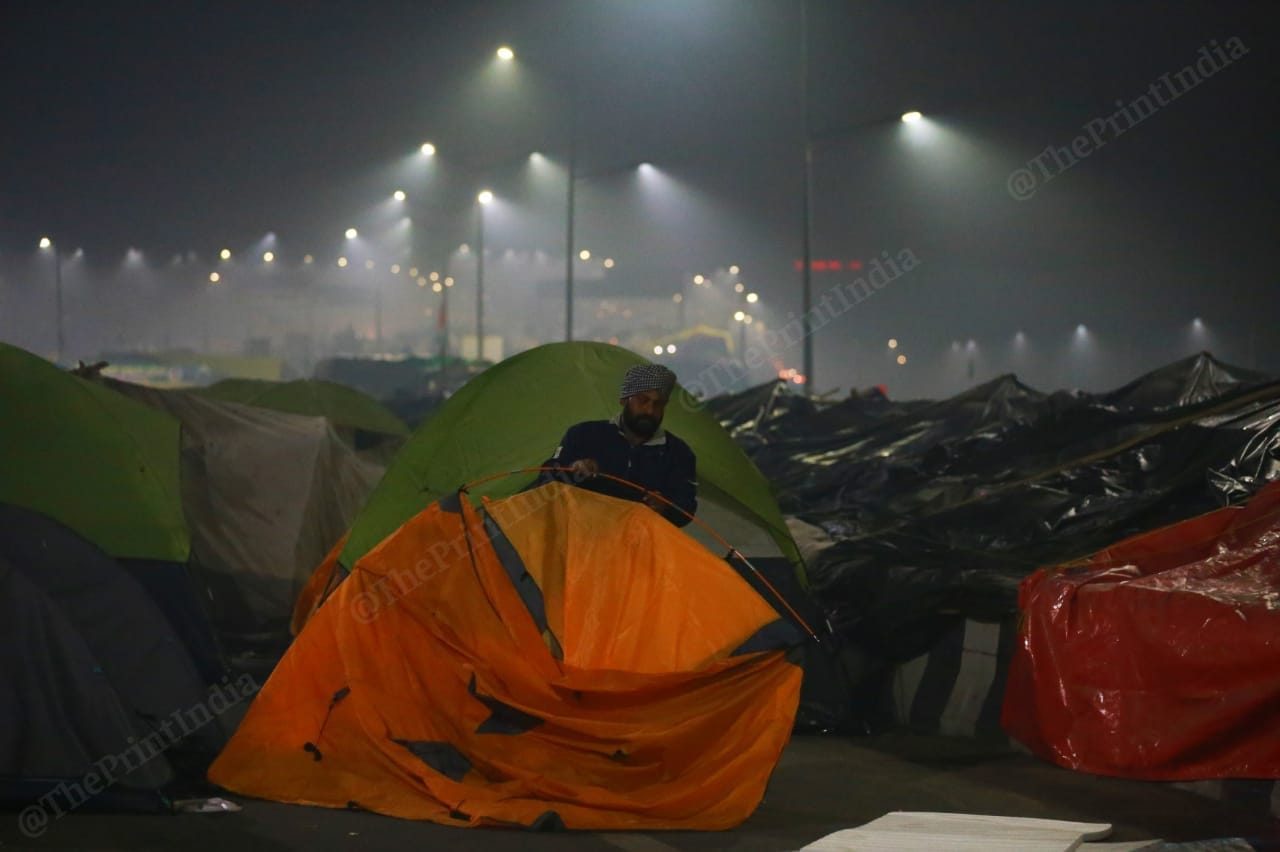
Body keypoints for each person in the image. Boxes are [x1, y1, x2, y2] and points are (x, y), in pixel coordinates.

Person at [535, 363, 697, 527]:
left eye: (658, 404)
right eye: (643, 400)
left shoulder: (677, 453)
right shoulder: (584, 434)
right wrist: (572, 469)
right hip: (581, 538)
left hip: (640, 546)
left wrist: (665, 507)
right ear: (625, 399)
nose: (649, 411)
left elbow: (686, 508)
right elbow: (545, 481)